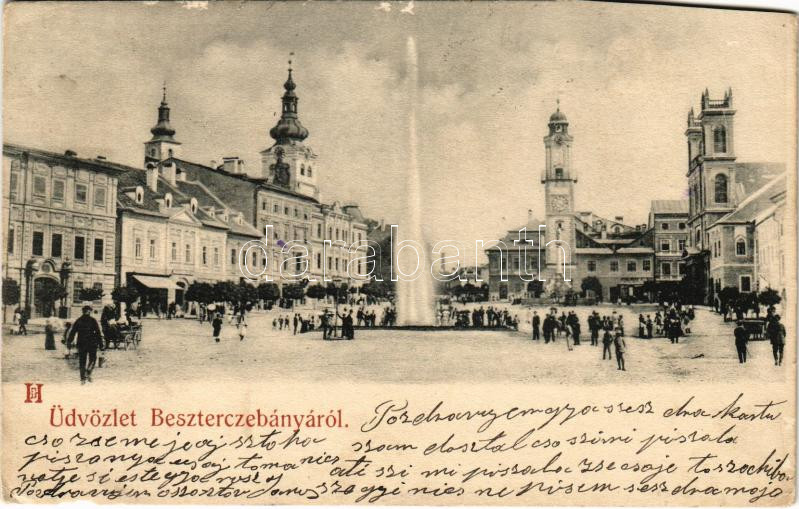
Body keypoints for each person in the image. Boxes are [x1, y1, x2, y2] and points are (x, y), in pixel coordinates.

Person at [67, 306, 104, 384]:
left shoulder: (79, 320)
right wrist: (101, 344)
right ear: (89, 311)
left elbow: (73, 332)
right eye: (88, 311)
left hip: (82, 343)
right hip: (91, 343)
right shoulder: (93, 320)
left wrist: (69, 342)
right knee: (93, 359)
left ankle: (83, 378)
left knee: (82, 361)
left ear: (82, 311)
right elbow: (98, 333)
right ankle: (88, 372)